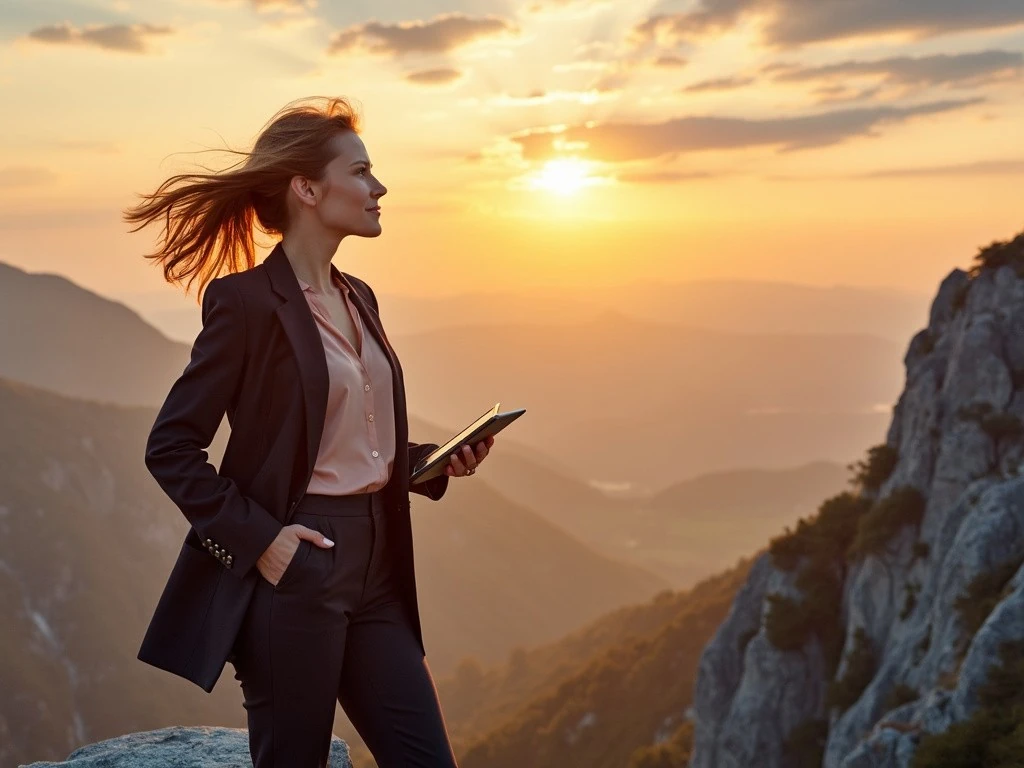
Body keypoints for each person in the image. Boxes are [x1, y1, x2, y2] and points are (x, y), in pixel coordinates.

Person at [122, 95, 495, 767]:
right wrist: (263, 544)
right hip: (299, 567)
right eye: (360, 172)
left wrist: (433, 461)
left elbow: (350, 438)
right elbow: (170, 447)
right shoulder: (245, 304)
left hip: (379, 565)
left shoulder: (361, 296)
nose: (378, 188)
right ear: (307, 188)